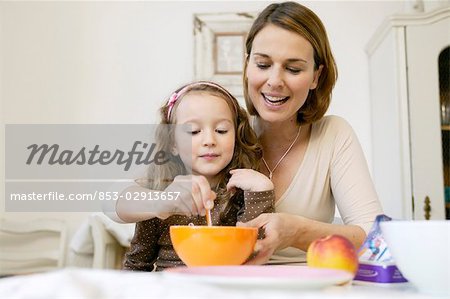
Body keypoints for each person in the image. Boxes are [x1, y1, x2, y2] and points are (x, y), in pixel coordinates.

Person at [110, 1, 383, 266]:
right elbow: (113, 203)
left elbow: (376, 239)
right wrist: (162, 200)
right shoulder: (223, 135)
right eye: (263, 65)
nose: (275, 81)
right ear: (247, 64)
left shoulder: (333, 134)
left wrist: (298, 231)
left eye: (293, 68)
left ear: (316, 76)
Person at [123, 81, 275, 271]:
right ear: (173, 143)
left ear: (236, 136)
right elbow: (136, 264)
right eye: (194, 131)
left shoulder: (242, 190)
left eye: (221, 130)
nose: (209, 141)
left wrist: (261, 192)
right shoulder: (160, 193)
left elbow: (255, 256)